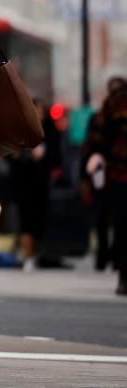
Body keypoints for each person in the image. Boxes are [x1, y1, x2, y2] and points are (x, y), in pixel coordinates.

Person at [83, 79, 127, 296]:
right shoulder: (115, 103)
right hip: (119, 174)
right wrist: (95, 156)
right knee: (121, 224)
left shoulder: (115, 103)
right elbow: (96, 137)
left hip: (118, 174)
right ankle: (122, 274)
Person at [9, 100, 59, 271]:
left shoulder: (50, 132)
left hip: (40, 182)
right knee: (26, 220)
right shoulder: (20, 129)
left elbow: (56, 156)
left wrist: (44, 158)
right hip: (23, 183)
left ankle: (34, 252)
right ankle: (28, 254)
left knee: (38, 219)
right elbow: (10, 155)